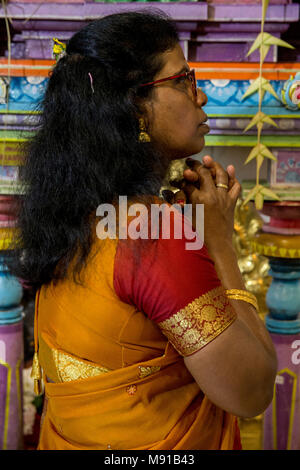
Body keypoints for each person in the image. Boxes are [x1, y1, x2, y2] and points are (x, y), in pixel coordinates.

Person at [9, 11, 277, 450]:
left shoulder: (69, 213)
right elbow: (250, 392)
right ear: (133, 105)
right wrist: (220, 243)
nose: (202, 95)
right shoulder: (151, 235)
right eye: (184, 80)